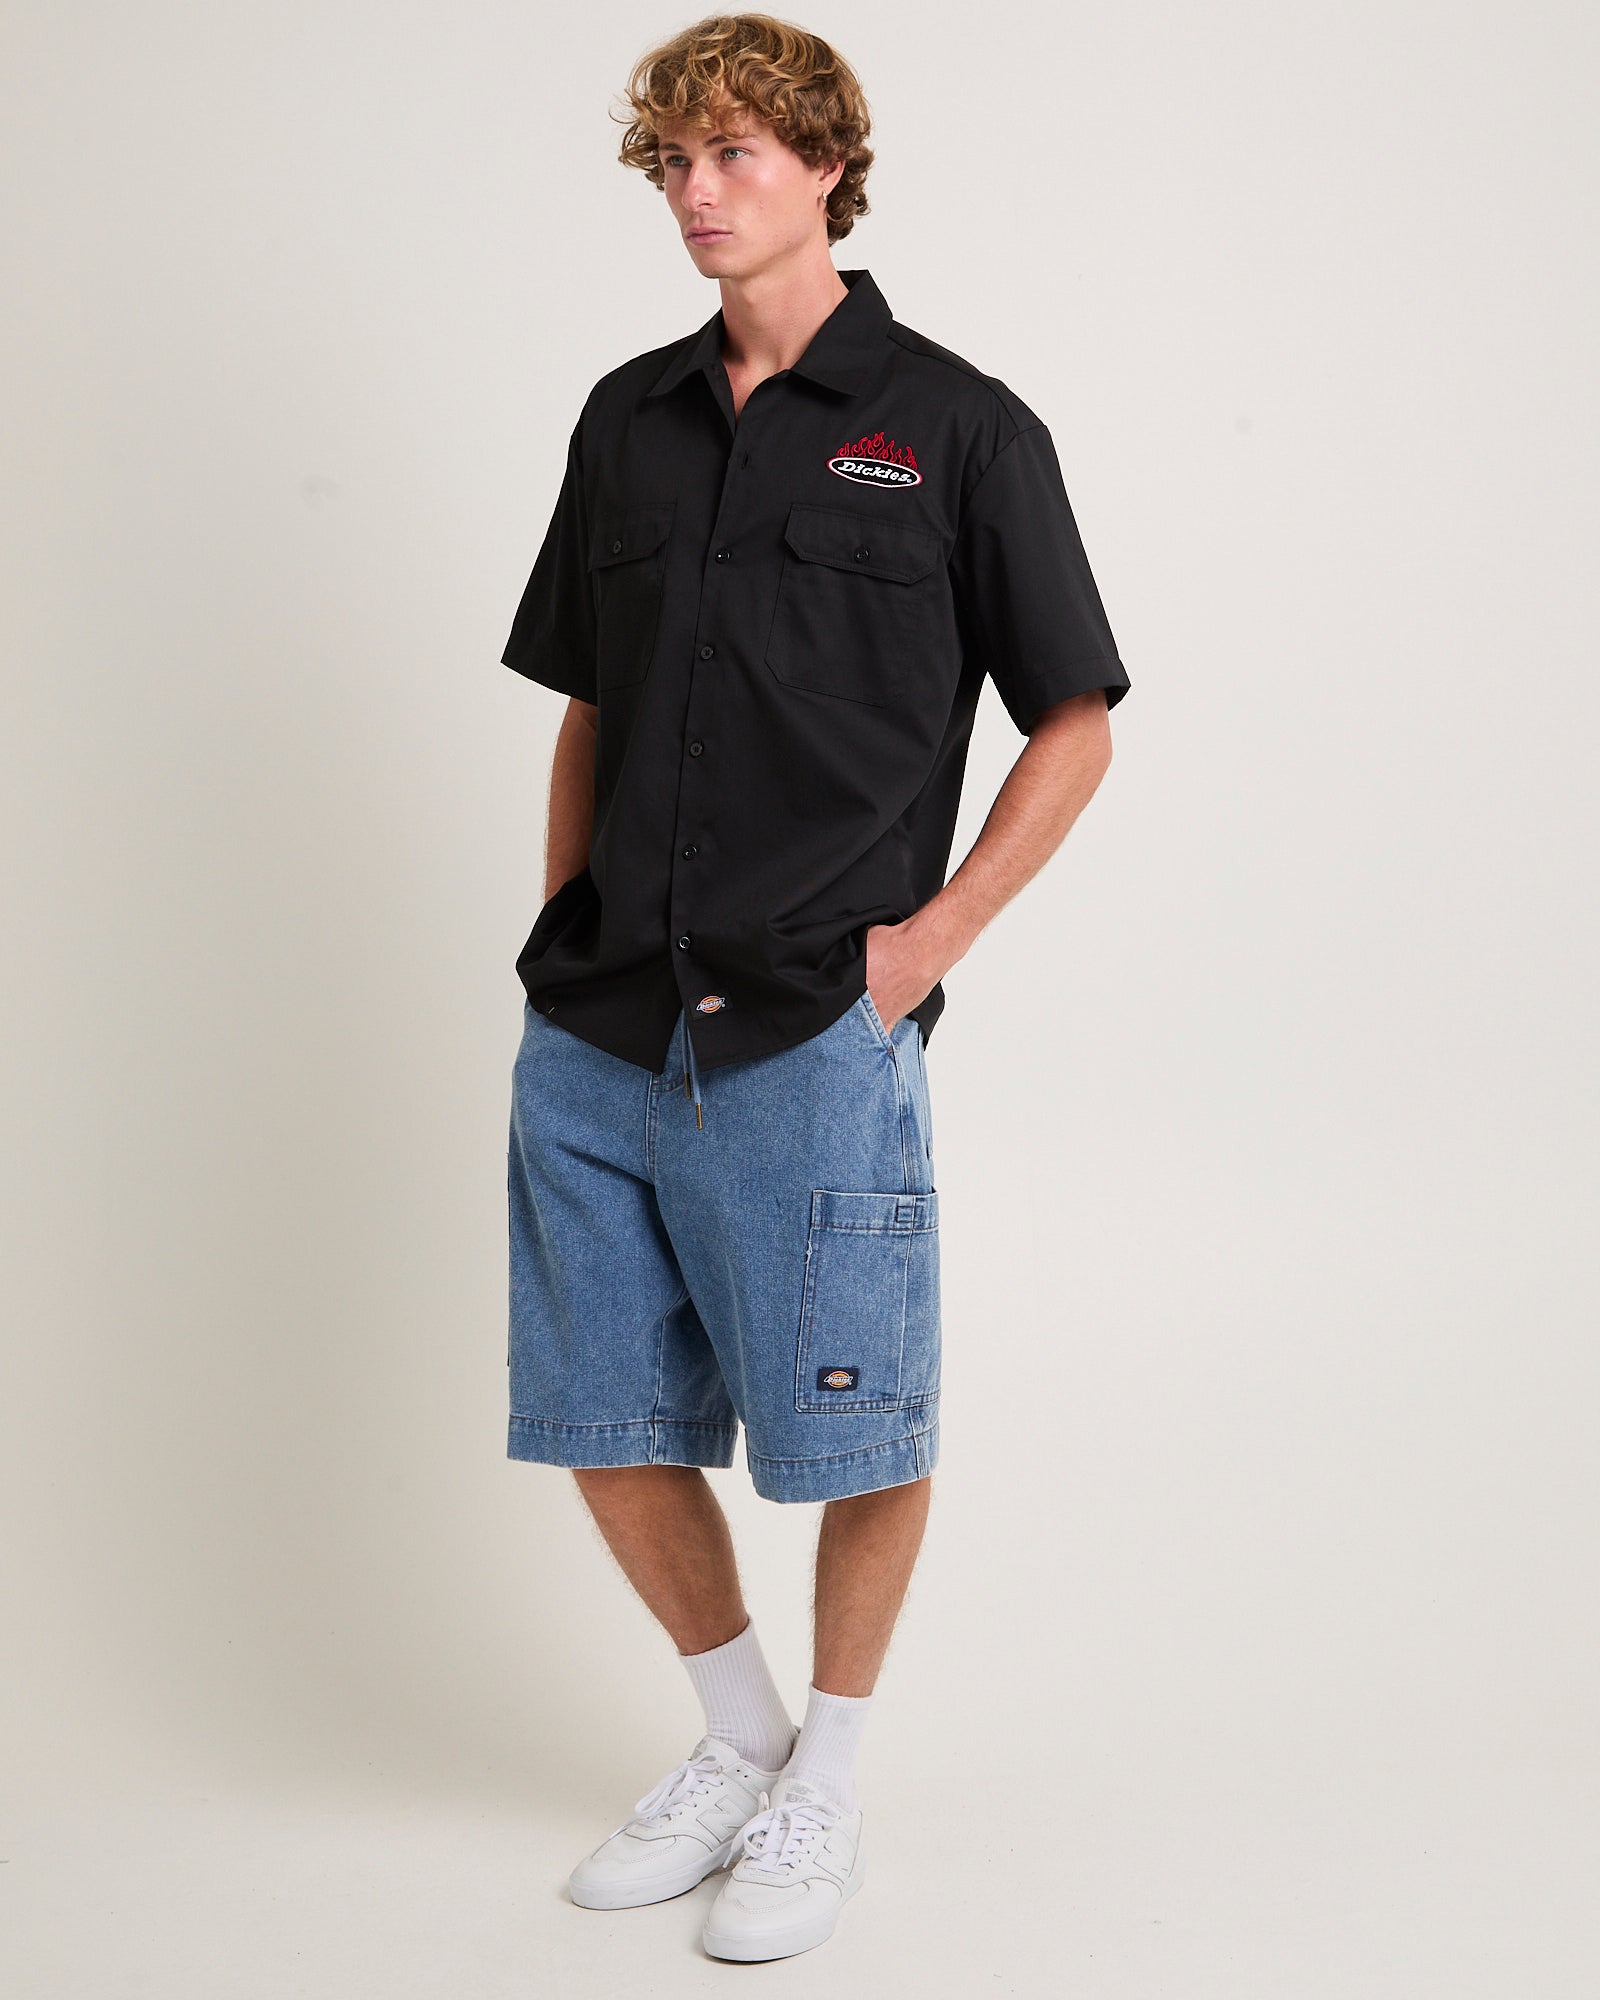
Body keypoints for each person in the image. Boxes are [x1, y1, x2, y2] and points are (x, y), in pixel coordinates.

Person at [496, 12, 1129, 1963]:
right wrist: (561, 928)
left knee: (861, 1430)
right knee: (601, 1416)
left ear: (828, 169)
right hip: (596, 1026)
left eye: (736, 157)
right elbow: (587, 707)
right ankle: (742, 1742)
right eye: (673, 163)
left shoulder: (959, 430)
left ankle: (826, 1783)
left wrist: (924, 949)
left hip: (808, 1031)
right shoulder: (625, 418)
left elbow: (1075, 722)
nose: (696, 195)